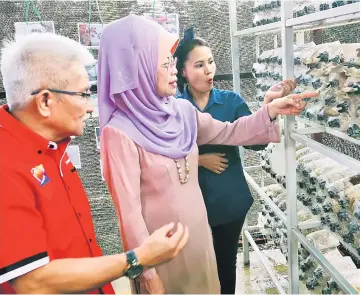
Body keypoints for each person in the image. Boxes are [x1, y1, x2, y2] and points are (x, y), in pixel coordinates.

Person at [98, 15, 315, 294]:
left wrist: (270, 111)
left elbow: (232, 132)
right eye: (165, 64)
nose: (173, 71)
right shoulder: (118, 133)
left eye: (173, 63)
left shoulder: (182, 112)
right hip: (160, 251)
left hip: (198, 237)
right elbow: (128, 215)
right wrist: (146, 272)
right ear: (136, 68)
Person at [0, 32, 189, 294]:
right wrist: (137, 259)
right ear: (45, 101)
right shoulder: (6, 166)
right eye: (83, 94)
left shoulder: (53, 147)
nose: (91, 107)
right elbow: (32, 282)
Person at [174, 29, 297, 294]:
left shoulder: (231, 101)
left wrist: (269, 108)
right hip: (188, 202)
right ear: (182, 71)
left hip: (227, 201)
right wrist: (199, 159)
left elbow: (257, 141)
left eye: (211, 62)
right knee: (193, 268)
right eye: (199, 65)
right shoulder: (175, 106)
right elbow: (163, 154)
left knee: (224, 266)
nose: (208, 70)